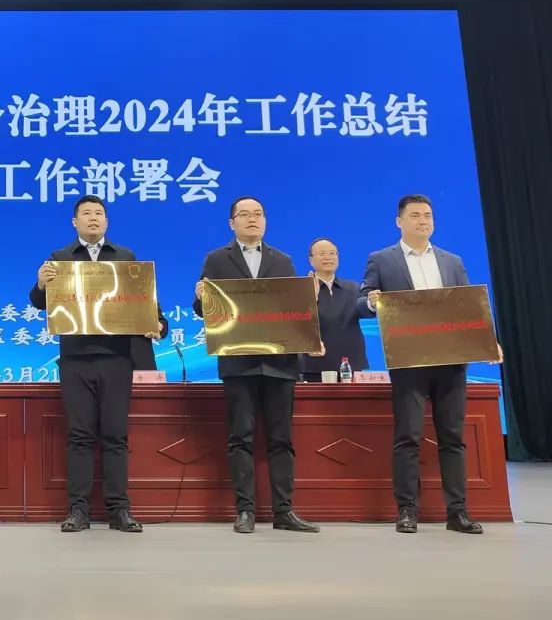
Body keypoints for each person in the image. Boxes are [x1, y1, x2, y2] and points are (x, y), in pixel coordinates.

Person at [359, 194, 499, 535]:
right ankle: (407, 510)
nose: (423, 221)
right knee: (408, 436)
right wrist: (372, 301)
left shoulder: (452, 261)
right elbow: (361, 302)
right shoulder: (381, 259)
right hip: (408, 361)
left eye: (428, 215)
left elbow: (469, 307)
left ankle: (458, 512)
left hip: (451, 360)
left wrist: (488, 341)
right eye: (415, 215)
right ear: (399, 222)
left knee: (452, 437)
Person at [29, 195, 168, 533]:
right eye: (86, 213)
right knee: (79, 436)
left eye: (99, 213)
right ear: (74, 222)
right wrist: (40, 284)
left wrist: (158, 324)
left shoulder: (125, 257)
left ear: (106, 222)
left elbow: (144, 302)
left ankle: (119, 509)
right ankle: (78, 510)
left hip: (117, 358)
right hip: (76, 359)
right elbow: (39, 303)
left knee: (115, 435)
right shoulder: (60, 259)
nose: (93, 218)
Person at [192, 196, 321, 534]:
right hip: (239, 363)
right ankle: (245, 510)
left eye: (259, 214)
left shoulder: (283, 260)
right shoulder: (216, 260)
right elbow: (204, 310)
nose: (253, 219)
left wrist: (309, 304)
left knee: (282, 439)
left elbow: (294, 312)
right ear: (231, 222)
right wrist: (200, 297)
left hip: (280, 363)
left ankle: (284, 511)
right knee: (241, 438)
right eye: (245, 214)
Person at [302, 238, 372, 381]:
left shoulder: (353, 288)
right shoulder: (302, 289)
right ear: (311, 260)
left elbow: (365, 311)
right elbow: (297, 323)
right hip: (315, 365)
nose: (328, 257)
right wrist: (311, 298)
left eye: (332, 253)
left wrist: (372, 303)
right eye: (322, 253)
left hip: (351, 364)